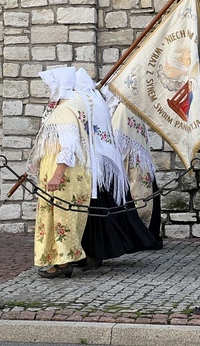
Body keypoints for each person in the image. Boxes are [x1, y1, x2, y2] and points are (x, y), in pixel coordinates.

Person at [74, 69, 157, 268]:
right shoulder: (117, 106)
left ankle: (94, 253)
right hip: (109, 167)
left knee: (101, 215)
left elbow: (119, 140)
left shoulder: (122, 110)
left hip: (109, 168)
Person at [28, 67, 91, 279]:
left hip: (63, 173)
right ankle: (63, 259)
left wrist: (56, 175)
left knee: (58, 216)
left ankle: (59, 262)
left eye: (51, 85)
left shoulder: (66, 109)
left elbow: (69, 145)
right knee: (61, 216)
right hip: (69, 172)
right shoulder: (74, 104)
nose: (49, 89)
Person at [102, 85, 163, 249]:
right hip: (139, 163)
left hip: (130, 163)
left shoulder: (123, 110)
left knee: (135, 199)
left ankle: (139, 237)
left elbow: (117, 142)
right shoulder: (132, 106)